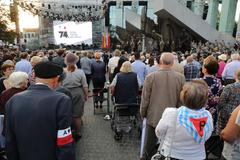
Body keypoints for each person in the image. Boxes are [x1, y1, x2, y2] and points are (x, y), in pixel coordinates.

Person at [6, 61, 75, 160]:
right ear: (56, 79)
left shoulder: (13, 100)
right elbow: (64, 140)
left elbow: (9, 139)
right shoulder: (61, 100)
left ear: (34, 76)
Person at [140, 52, 185, 160]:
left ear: (160, 61)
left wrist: (143, 113)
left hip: (153, 115)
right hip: (173, 117)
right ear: (173, 62)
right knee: (169, 145)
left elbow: (145, 98)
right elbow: (181, 100)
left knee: (149, 145)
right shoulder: (180, 78)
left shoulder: (151, 77)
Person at [155, 80, 213, 160]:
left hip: (171, 155)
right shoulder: (207, 115)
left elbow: (159, 132)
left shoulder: (171, 113)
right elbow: (207, 136)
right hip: (197, 156)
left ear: (183, 96)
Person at [63, 52, 88, 139]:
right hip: (78, 92)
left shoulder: (62, 71)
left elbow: (59, 84)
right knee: (77, 115)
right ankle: (78, 132)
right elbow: (85, 85)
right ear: (76, 61)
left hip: (64, 92)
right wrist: (86, 95)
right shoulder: (80, 72)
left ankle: (67, 132)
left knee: (66, 113)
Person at [202, 55, 222, 130]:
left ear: (205, 69)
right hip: (213, 111)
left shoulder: (199, 82)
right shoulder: (218, 81)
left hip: (201, 112)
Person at [217, 69, 240, 135]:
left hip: (227, 117)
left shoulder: (229, 87)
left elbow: (221, 103)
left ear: (235, 76)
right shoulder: (229, 87)